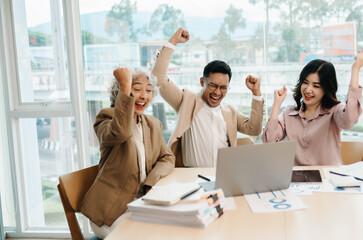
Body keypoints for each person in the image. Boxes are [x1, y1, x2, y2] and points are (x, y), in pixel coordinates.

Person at [80, 67, 175, 238]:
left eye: (148, 90)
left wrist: (150, 183)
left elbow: (167, 157)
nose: (143, 96)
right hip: (110, 213)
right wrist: (125, 84)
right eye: (136, 89)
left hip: (142, 204)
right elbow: (121, 132)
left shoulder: (153, 124)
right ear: (120, 92)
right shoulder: (106, 118)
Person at [152, 28, 264, 167]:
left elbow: (254, 130)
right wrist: (173, 41)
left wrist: (256, 93)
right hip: (191, 178)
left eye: (223, 88)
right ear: (202, 82)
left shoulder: (230, 111)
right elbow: (158, 78)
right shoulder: (186, 101)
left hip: (224, 177)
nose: (217, 92)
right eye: (213, 85)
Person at [262, 50, 363, 165]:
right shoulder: (289, 113)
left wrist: (355, 70)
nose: (308, 90)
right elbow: (270, 142)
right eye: (305, 82)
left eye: (316, 86)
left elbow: (349, 120)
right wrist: (276, 104)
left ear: (326, 89)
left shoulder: (334, 111)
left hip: (328, 178)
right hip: (297, 180)